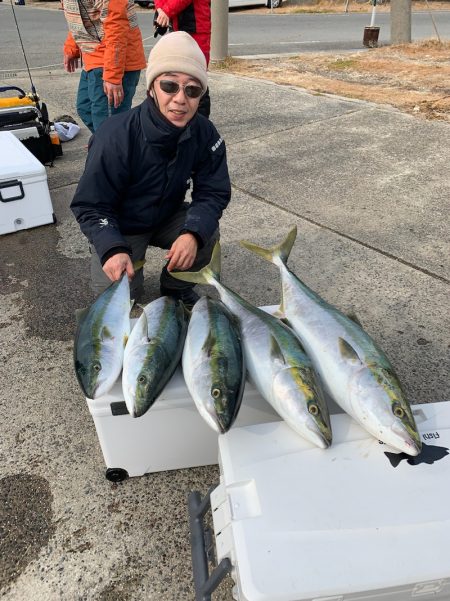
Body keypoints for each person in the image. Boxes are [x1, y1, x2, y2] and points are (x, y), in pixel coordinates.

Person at [70, 31, 231, 308]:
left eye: (192, 90)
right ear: (152, 88)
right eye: (170, 86)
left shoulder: (205, 132)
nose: (181, 99)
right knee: (118, 301)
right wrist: (112, 247)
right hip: (123, 225)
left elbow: (213, 192)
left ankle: (175, 286)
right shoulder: (115, 135)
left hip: (167, 214)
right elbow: (91, 205)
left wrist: (192, 233)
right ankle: (125, 265)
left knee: (207, 235)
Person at [62, 0, 146, 133]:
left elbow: (116, 25)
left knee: (107, 124)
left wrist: (113, 75)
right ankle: (106, 144)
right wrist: (72, 47)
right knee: (85, 109)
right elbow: (78, 15)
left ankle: (113, 148)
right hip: (93, 56)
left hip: (115, 60)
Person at [153, 0, 211, 118]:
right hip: (177, 28)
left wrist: (165, 11)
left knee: (195, 79)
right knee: (176, 77)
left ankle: (200, 126)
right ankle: (180, 122)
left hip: (195, 29)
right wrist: (160, 9)